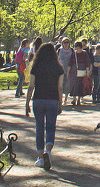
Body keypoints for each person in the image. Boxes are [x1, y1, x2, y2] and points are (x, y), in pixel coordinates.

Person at [25, 41, 64, 171]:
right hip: (53, 99)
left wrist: (27, 102)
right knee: (51, 127)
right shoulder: (59, 68)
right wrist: (60, 103)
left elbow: (31, 86)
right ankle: (48, 150)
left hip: (38, 99)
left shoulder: (35, 67)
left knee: (39, 128)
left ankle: (40, 157)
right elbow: (60, 88)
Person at [69, 40, 93, 106]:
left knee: (78, 84)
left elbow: (86, 62)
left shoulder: (80, 53)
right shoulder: (78, 53)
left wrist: (87, 70)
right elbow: (70, 63)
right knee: (77, 84)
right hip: (78, 70)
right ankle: (76, 99)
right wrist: (68, 72)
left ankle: (77, 99)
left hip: (78, 70)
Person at [57, 38, 75, 105]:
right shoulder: (59, 50)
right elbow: (57, 59)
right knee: (60, 85)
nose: (66, 44)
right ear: (62, 43)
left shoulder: (72, 50)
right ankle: (60, 99)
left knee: (67, 85)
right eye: (64, 42)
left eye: (67, 42)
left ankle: (65, 100)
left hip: (69, 69)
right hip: (61, 69)